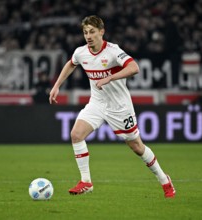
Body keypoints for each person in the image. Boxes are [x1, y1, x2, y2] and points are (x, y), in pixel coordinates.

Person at [49, 15, 176, 198]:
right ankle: (86, 182)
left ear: (102, 31)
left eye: (92, 32)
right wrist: (56, 86)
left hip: (119, 107)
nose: (88, 36)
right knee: (76, 135)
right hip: (97, 103)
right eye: (85, 32)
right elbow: (71, 64)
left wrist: (110, 77)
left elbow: (134, 68)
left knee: (137, 147)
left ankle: (164, 180)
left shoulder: (113, 51)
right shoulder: (81, 52)